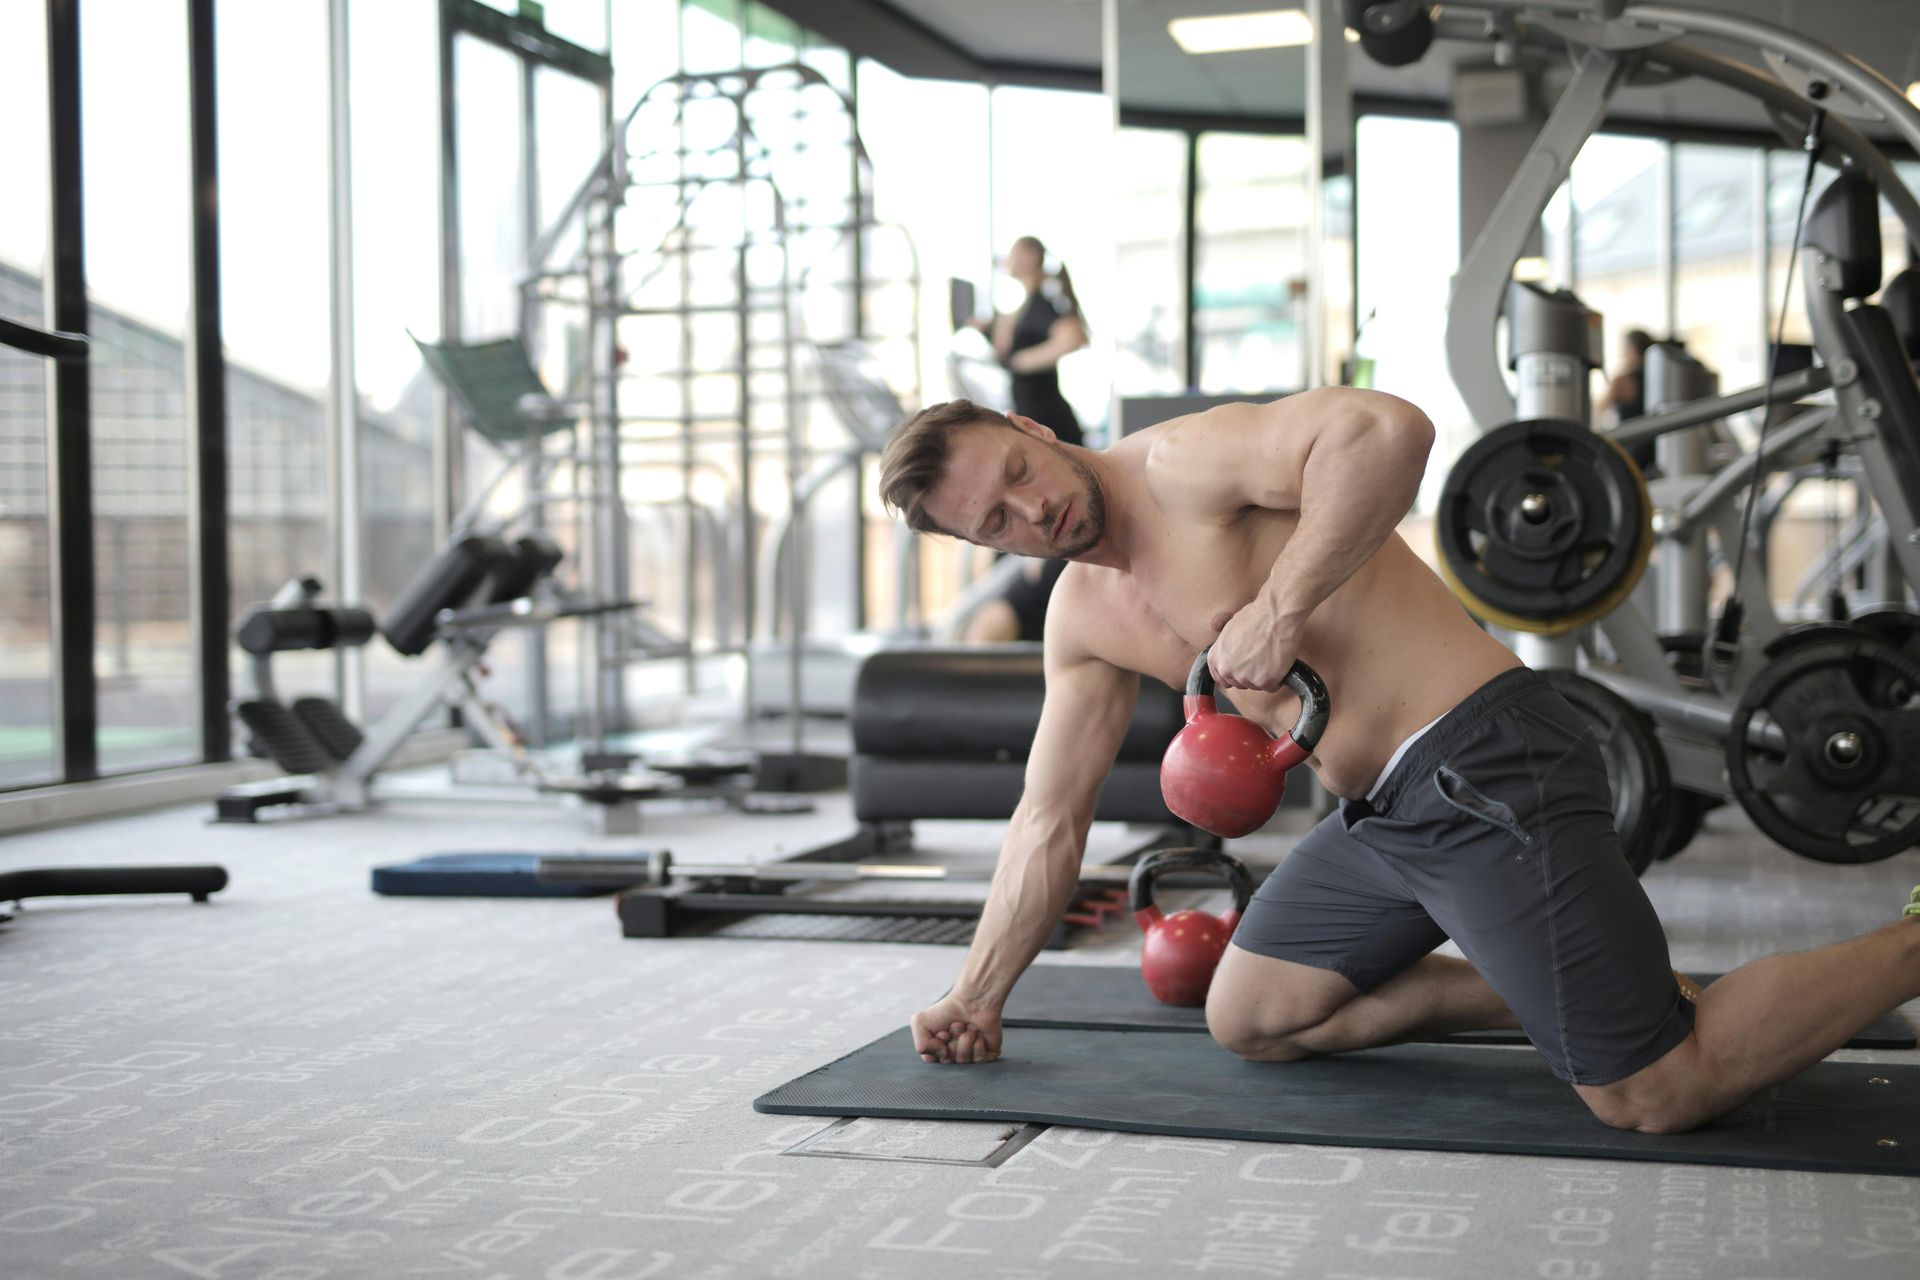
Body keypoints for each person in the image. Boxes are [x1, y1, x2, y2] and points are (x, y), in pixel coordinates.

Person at [875, 390, 1920, 1135]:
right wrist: (977, 993)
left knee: (1653, 1089)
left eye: (1019, 474)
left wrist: (1282, 605)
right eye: (997, 522)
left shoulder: (1184, 464)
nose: (1032, 511)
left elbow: (1387, 430)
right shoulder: (1081, 620)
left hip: (1483, 760)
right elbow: (1048, 819)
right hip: (1380, 816)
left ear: (1032, 427)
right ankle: (1564, 983)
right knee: (1253, 1017)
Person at [955, 235, 1088, 642]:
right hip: (1026, 412)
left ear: (1030, 258)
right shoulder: (1019, 307)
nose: (1007, 260)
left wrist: (1027, 362)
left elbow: (1075, 337)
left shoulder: (1046, 301)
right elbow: (1003, 351)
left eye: (1014, 254)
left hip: (1049, 418)